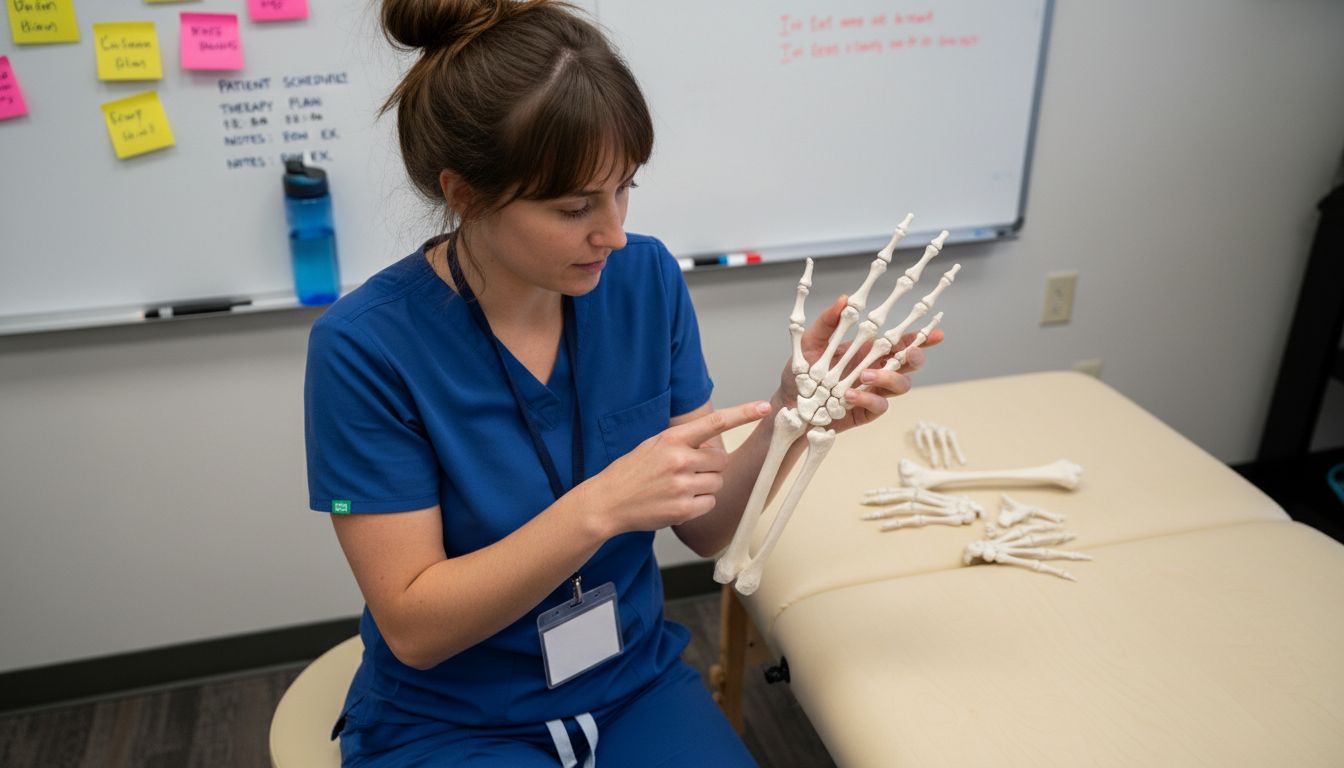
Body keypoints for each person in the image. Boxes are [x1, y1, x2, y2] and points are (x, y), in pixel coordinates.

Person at [303, 1, 940, 765]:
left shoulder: (643, 280)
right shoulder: (365, 349)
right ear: (466, 195)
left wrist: (791, 422)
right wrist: (601, 507)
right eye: (574, 208)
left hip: (630, 680)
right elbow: (415, 626)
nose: (612, 231)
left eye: (624, 189)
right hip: (454, 718)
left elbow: (706, 529)